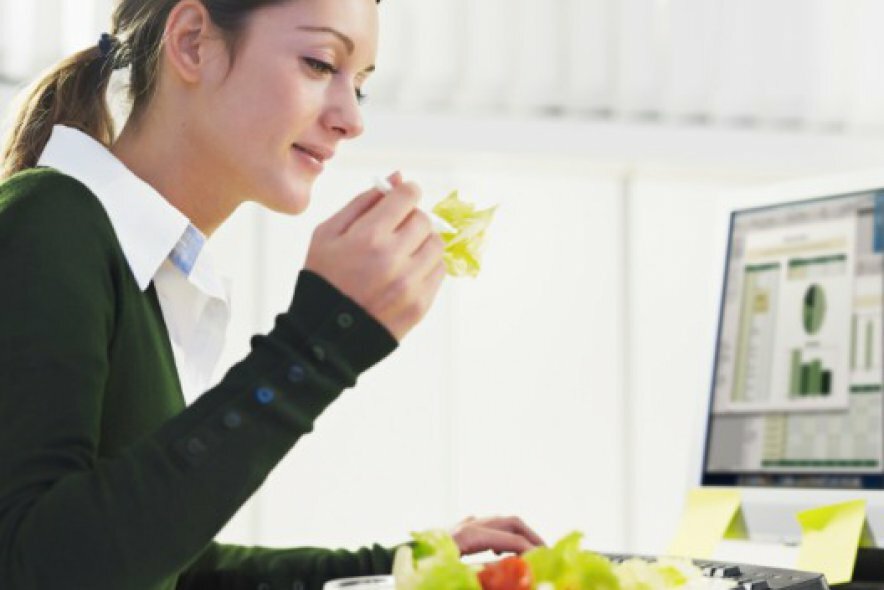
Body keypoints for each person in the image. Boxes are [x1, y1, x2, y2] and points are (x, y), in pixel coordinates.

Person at [0, 0, 543, 588]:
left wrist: (400, 569)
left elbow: (167, 569)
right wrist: (317, 346)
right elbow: (40, 567)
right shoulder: (50, 221)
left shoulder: (142, 272)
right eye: (319, 63)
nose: (350, 119)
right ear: (191, 43)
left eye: (358, 85)